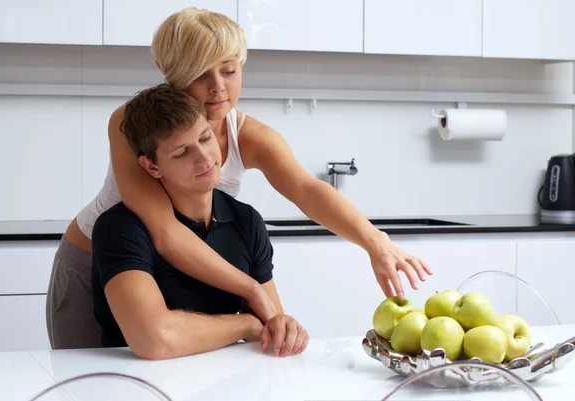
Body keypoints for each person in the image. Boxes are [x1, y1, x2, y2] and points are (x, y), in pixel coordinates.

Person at [46, 6, 432, 350]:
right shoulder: (135, 124)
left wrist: (375, 242)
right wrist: (251, 291)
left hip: (180, 271)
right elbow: (163, 231)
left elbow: (306, 189)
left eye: (229, 70)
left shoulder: (248, 135)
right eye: (201, 75)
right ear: (174, 77)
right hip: (97, 262)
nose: (218, 87)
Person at [91, 84, 308, 359]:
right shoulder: (121, 229)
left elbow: (272, 325)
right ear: (152, 167)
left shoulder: (247, 221)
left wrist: (286, 329)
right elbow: (154, 338)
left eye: (205, 138)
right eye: (182, 153)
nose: (205, 158)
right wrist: (244, 324)